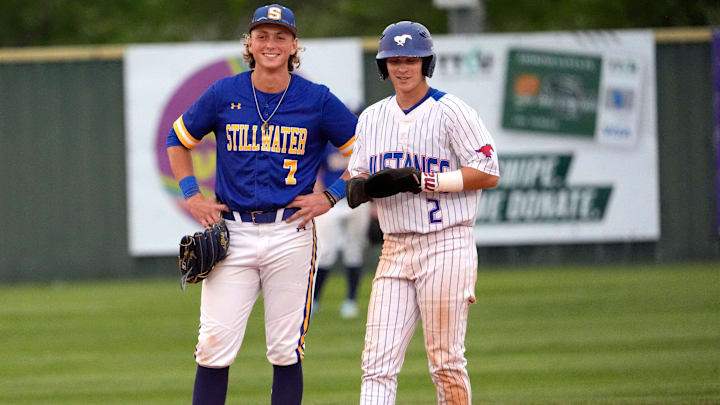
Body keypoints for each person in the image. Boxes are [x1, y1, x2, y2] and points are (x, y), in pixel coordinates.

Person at [165, 4, 357, 404]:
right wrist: (191, 195)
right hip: (231, 233)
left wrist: (331, 195)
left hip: (290, 232)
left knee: (286, 350)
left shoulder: (316, 99)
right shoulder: (224, 92)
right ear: (249, 43)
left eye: (280, 36)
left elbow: (366, 153)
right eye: (263, 35)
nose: (271, 43)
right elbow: (177, 141)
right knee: (213, 348)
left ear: (293, 46)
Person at [347, 21, 500, 405]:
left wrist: (424, 181)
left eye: (411, 59)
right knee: (376, 364)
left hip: (446, 243)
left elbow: (487, 172)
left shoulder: (452, 111)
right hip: (395, 248)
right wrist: (365, 187)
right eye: (394, 60)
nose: (402, 68)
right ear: (383, 67)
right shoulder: (371, 118)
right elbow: (355, 181)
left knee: (445, 361)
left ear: (425, 63)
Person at [313, 143, 372, 319]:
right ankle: (314, 299)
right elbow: (315, 168)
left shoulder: (362, 136)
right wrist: (319, 195)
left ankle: (351, 300)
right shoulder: (327, 137)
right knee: (325, 251)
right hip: (330, 200)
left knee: (354, 250)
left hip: (357, 199)